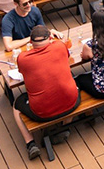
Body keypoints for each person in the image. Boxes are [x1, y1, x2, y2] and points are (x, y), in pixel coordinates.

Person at [12, 24, 80, 160]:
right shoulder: (60, 46)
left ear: (31, 42)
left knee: (16, 106)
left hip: (42, 112)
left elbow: (21, 72)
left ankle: (30, 143)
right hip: (71, 104)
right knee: (73, 86)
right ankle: (65, 126)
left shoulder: (23, 58)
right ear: (50, 38)